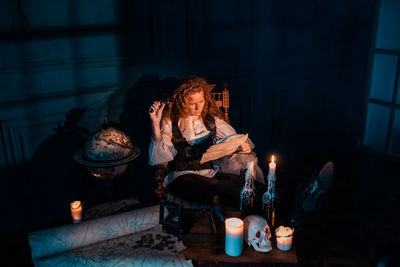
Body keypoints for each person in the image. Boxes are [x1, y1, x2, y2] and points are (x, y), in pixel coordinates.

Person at [148, 74, 334, 225]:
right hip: (182, 178)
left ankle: (295, 201)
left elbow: (234, 139)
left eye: (202, 101)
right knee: (221, 187)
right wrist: (155, 124)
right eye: (192, 103)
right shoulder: (169, 122)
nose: (198, 107)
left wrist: (241, 146)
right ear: (182, 101)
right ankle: (299, 195)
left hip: (211, 172)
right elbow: (159, 158)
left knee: (244, 185)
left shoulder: (211, 120)